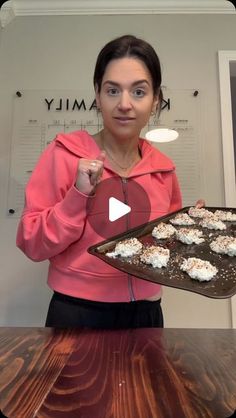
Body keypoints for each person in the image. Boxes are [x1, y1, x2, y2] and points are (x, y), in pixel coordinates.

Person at [16, 34, 204, 329]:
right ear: (97, 95)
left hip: (146, 314)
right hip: (75, 312)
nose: (125, 104)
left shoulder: (164, 171)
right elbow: (32, 244)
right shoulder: (62, 155)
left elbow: (167, 253)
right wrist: (78, 195)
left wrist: (192, 230)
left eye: (139, 92)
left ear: (156, 100)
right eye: (112, 90)